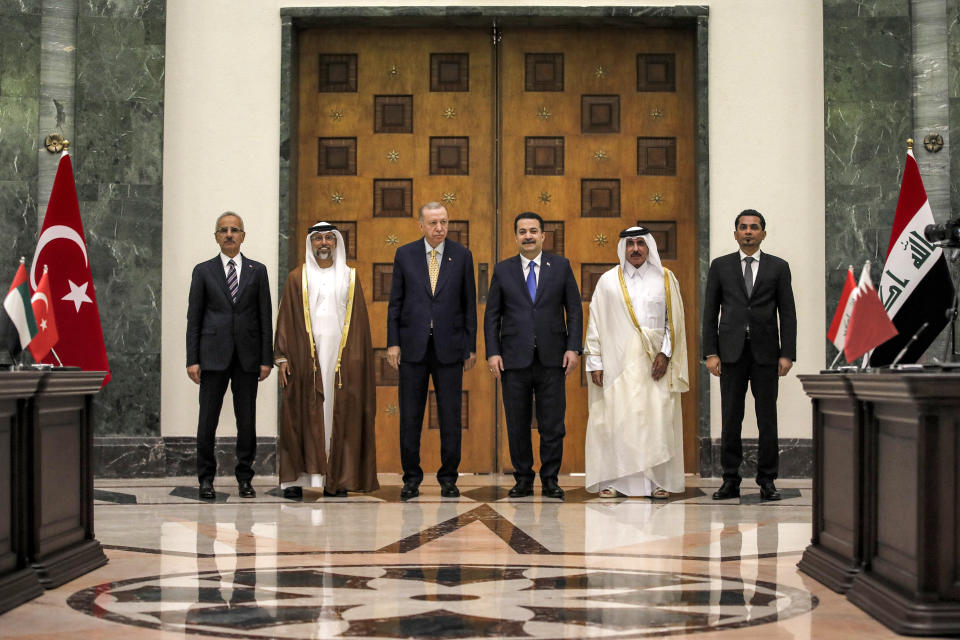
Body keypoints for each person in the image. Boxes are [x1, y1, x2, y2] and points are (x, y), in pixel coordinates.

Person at [273, 222, 378, 500]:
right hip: (304, 355)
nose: (323, 243)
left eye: (328, 238)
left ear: (336, 243)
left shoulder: (349, 277)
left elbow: (359, 324)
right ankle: (296, 480)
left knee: (338, 411)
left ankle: (337, 479)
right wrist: (282, 357)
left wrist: (356, 360)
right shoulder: (297, 277)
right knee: (302, 412)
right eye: (318, 238)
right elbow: (285, 319)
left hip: (341, 357)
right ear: (310, 243)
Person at [584, 226, 689, 499]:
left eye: (641, 243)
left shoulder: (665, 278)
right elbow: (595, 322)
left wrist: (665, 354)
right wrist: (595, 362)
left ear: (649, 247)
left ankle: (657, 481)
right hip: (618, 364)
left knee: (656, 420)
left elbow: (673, 322)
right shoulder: (608, 281)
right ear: (623, 248)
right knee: (618, 420)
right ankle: (617, 481)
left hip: (655, 364)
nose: (635, 249)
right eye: (630, 244)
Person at [484, 211, 582, 500]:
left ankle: (551, 479)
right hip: (513, 360)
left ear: (543, 235)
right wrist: (492, 353)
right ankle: (523, 479)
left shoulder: (561, 266)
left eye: (533, 231)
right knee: (517, 423)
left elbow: (574, 311)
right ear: (515, 237)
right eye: (522, 231)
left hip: (553, 359)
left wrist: (573, 348)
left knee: (553, 424)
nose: (528, 236)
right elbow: (492, 316)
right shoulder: (503, 270)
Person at [702, 209, 797, 501]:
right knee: (731, 418)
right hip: (730, 354)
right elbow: (709, 313)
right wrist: (710, 352)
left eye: (754, 227)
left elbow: (788, 313)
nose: (748, 231)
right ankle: (730, 479)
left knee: (767, 418)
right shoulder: (720, 266)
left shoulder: (778, 267)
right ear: (735, 234)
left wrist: (788, 354)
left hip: (767, 354)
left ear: (763, 234)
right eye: (743, 227)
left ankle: (767, 480)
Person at [387, 202, 477, 501]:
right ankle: (411, 478)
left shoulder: (462, 255)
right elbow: (395, 303)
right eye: (433, 223)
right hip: (412, 348)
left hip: (449, 349)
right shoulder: (405, 254)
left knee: (450, 416)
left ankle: (448, 478)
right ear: (421, 225)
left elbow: (469, 306)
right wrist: (393, 342)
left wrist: (470, 346)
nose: (440, 228)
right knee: (410, 417)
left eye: (444, 222)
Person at [186, 212, 272, 500]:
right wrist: (192, 358)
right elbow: (194, 319)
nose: (229, 234)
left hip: (248, 358)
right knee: (207, 420)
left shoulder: (257, 271)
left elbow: (265, 317)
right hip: (212, 357)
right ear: (216, 236)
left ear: (243, 236)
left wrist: (266, 358)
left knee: (246, 421)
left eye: (235, 230)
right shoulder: (203, 271)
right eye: (223, 230)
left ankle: (245, 479)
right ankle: (205, 480)